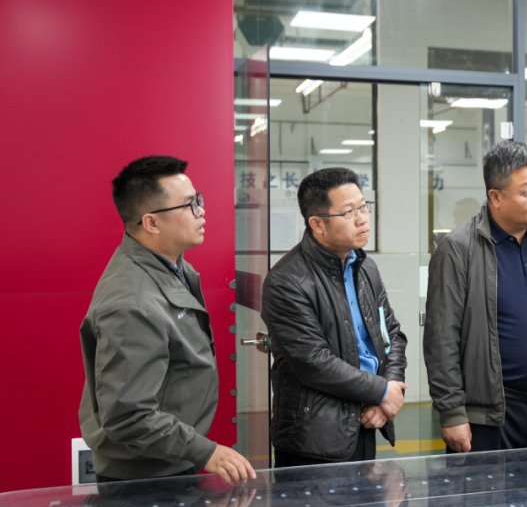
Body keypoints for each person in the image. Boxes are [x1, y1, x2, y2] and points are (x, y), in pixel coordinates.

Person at [79, 156, 256, 484]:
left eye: (198, 199)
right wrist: (207, 452)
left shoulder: (172, 266)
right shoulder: (133, 305)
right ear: (152, 223)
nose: (201, 212)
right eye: (189, 205)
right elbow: (128, 416)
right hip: (145, 480)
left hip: (170, 458)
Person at [424, 141, 527, 453]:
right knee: (487, 486)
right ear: (495, 196)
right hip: (489, 415)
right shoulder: (459, 249)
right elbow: (442, 339)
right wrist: (452, 412)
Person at [262, 167, 407, 467]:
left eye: (363, 207)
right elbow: (314, 362)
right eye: (349, 212)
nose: (362, 218)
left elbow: (390, 334)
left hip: (367, 420)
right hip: (314, 436)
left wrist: (389, 391)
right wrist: (381, 391)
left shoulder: (365, 269)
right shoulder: (287, 281)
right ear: (317, 223)